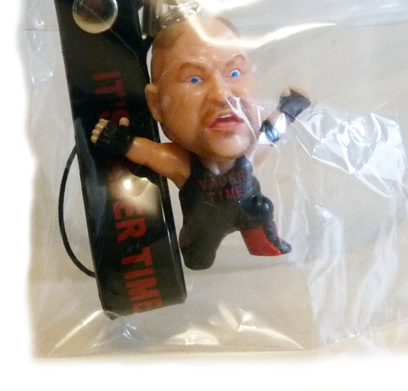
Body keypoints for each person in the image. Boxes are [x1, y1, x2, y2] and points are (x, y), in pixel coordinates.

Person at [90, 15, 309, 270]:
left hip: (249, 211)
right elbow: (149, 154)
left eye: (234, 73)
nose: (222, 95)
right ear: (156, 104)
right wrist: (121, 141)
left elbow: (272, 132)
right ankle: (198, 255)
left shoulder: (251, 153)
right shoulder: (184, 164)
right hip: (205, 226)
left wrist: (289, 110)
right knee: (198, 255)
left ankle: (262, 241)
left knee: (262, 210)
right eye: (194, 79)